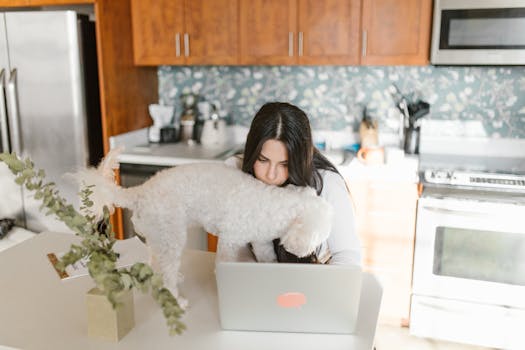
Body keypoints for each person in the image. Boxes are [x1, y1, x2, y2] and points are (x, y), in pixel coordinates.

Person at [226, 102, 361, 266]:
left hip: (314, 280)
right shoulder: (235, 175)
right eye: (263, 160)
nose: (271, 175)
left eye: (284, 164)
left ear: (299, 161)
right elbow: (237, 250)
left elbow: (347, 256)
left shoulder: (328, 184)